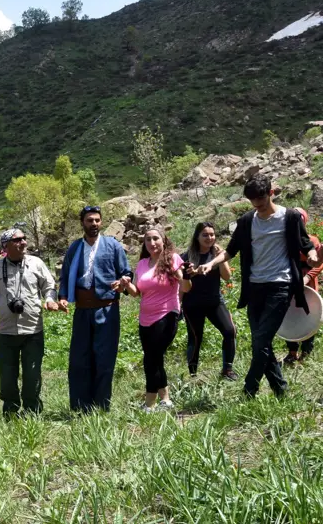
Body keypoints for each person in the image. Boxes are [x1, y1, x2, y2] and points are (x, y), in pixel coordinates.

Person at [197, 174, 320, 398]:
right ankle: (280, 391)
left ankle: (249, 389)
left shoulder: (290, 217)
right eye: (253, 202)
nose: (258, 206)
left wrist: (312, 255)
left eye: (261, 201)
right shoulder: (246, 221)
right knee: (260, 342)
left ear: (271, 193)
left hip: (280, 286)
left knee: (261, 339)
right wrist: (211, 264)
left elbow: (306, 244)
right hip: (254, 288)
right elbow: (230, 250)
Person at [0, 228, 59, 416]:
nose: (23, 242)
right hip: (6, 333)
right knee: (7, 378)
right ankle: (11, 414)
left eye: (24, 239)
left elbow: (49, 286)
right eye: (17, 240)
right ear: (6, 246)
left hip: (33, 331)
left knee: (32, 376)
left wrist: (50, 299)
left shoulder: (37, 264)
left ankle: (33, 412)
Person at [58, 205, 133, 412]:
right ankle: (81, 405)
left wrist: (123, 282)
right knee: (79, 358)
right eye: (90, 220)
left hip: (107, 310)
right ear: (83, 222)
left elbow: (126, 272)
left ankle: (101, 405)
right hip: (82, 311)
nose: (94, 224)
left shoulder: (112, 246)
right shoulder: (74, 248)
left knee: (104, 357)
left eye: (97, 220)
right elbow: (65, 275)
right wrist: (63, 297)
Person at [121, 229, 192, 412]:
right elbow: (137, 292)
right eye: (148, 239)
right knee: (155, 358)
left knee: (151, 359)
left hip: (167, 315)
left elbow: (186, 286)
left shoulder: (173, 259)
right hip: (145, 319)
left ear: (163, 240)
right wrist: (126, 284)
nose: (152, 243)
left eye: (155, 238)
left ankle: (149, 403)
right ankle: (166, 400)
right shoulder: (143, 263)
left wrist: (185, 277)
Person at [181, 222, 238, 380]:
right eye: (205, 235)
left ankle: (227, 370)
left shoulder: (217, 254)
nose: (209, 238)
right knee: (196, 338)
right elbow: (181, 285)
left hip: (214, 302)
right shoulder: (186, 257)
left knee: (229, 331)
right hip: (192, 304)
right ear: (197, 237)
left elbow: (227, 277)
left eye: (212, 234)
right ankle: (193, 375)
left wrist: (221, 258)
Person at [284, 207, 323, 364]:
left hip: (309, 285)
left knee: (310, 317)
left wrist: (307, 277)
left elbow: (319, 264)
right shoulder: (284, 242)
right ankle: (292, 352)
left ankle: (306, 352)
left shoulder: (312, 241)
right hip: (289, 284)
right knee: (290, 316)